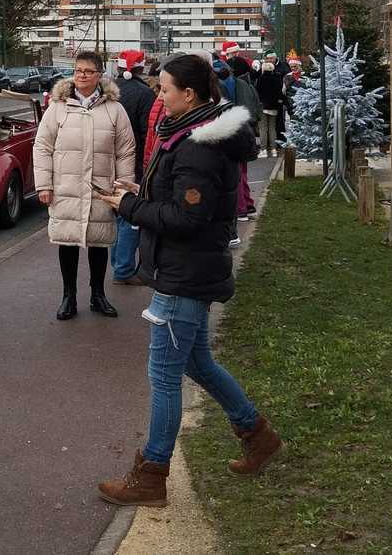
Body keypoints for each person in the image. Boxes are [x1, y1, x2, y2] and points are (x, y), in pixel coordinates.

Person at [94, 53, 282, 508]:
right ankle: (258, 435)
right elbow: (182, 200)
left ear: (189, 94)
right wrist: (138, 192)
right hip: (189, 267)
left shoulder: (197, 145)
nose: (159, 97)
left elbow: (187, 218)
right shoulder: (191, 132)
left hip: (185, 272)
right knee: (197, 363)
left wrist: (129, 207)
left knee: (163, 375)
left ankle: (151, 475)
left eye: (164, 89)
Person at [34, 51, 137, 320]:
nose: (81, 75)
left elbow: (125, 151)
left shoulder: (115, 109)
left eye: (88, 71)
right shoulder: (58, 107)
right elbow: (42, 146)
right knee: (67, 242)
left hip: (101, 188)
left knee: (99, 242)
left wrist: (123, 188)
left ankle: (98, 295)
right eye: (78, 70)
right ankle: (68, 296)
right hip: (66, 186)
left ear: (99, 75)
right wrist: (44, 185)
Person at [112, 49, 155, 287]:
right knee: (129, 216)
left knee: (114, 215)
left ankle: (117, 263)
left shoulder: (106, 91)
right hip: (134, 163)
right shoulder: (145, 93)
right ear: (141, 68)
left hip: (106, 162)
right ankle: (124, 269)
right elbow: (147, 133)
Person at [214, 58, 260, 233]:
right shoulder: (243, 84)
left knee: (235, 175)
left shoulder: (220, 87)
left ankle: (241, 209)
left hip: (233, 132)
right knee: (242, 173)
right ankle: (248, 205)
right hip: (245, 131)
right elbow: (254, 105)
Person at [254, 53, 285, 157]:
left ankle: (263, 149)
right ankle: (273, 149)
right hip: (274, 107)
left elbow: (257, 93)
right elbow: (280, 93)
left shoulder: (260, 79)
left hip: (263, 106)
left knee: (263, 128)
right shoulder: (277, 80)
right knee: (272, 128)